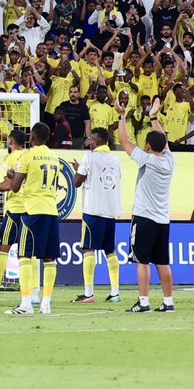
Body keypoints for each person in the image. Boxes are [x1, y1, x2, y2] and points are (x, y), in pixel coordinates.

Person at [0, 122, 66, 316]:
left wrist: (13, 175)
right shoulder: (55, 157)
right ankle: (46, 303)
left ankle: (26, 303)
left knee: (24, 256)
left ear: (33, 137)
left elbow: (15, 187)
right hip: (52, 211)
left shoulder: (27, 156)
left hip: (32, 211)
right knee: (49, 258)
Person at [118, 103, 175, 313]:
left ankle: (143, 302)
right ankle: (168, 302)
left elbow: (124, 141)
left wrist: (122, 116)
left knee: (142, 261)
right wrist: (153, 117)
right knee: (162, 262)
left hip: (144, 217)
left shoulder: (146, 159)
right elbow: (164, 142)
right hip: (163, 219)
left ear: (148, 146)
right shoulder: (170, 161)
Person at [72, 127, 123, 305]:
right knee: (110, 250)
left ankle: (89, 293)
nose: (89, 142)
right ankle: (115, 292)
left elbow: (76, 182)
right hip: (110, 211)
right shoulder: (115, 160)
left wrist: (78, 170)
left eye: (91, 139)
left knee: (88, 249)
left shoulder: (89, 158)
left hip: (93, 210)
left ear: (98, 141)